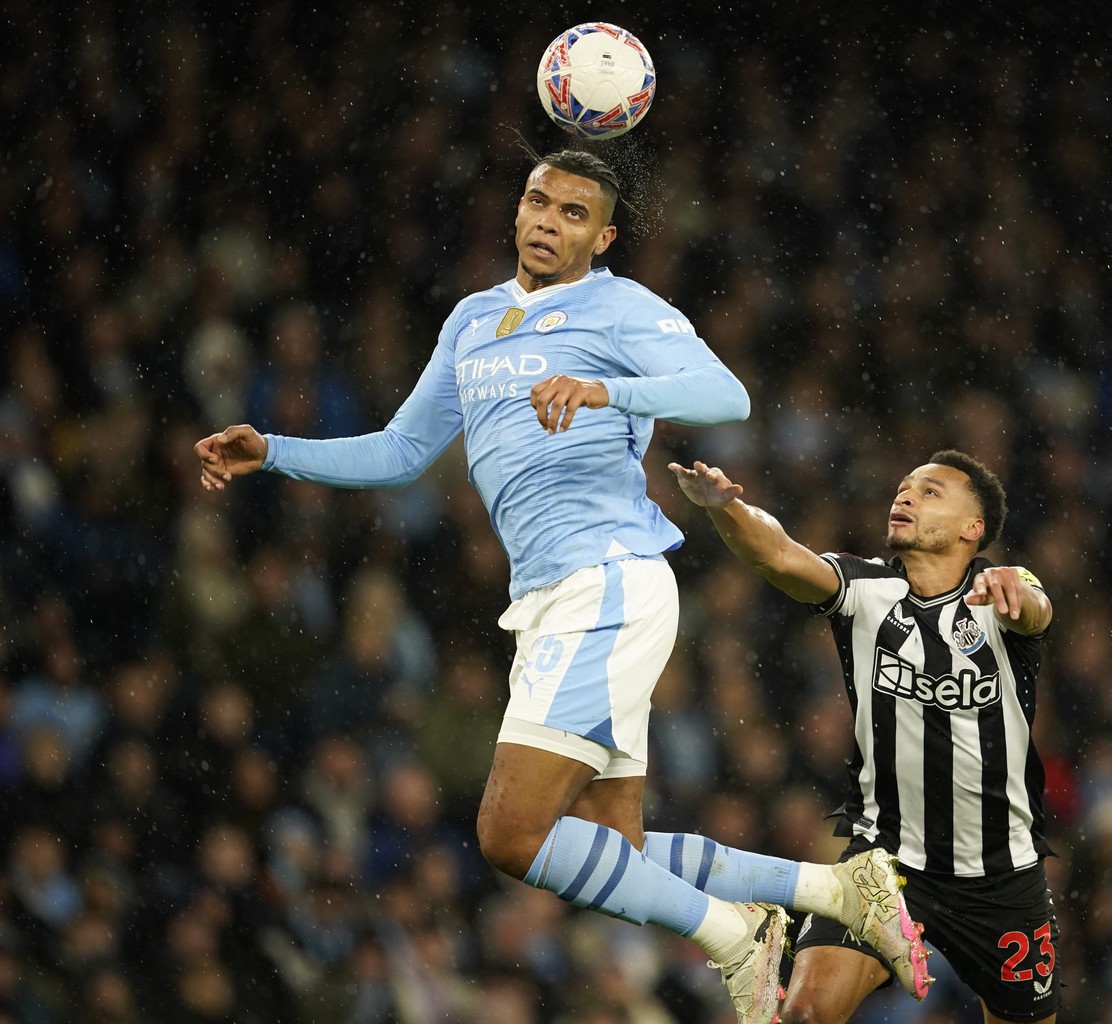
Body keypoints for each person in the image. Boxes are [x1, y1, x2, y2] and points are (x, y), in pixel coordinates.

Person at [194, 148, 926, 1024]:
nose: (548, 220)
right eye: (538, 201)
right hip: (550, 599)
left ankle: (739, 936)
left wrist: (604, 390)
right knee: (617, 851)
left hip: (606, 582)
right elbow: (399, 450)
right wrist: (274, 452)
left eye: (573, 213)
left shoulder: (618, 306)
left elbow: (724, 394)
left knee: (509, 835)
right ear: (516, 210)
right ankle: (842, 892)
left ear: (603, 235)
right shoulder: (473, 319)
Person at [669, 450, 1062, 1024]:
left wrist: (1022, 593)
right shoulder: (865, 589)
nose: (905, 496)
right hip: (885, 870)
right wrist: (726, 510)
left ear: (972, 529)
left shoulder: (1000, 596)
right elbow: (778, 553)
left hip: (1002, 880)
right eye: (904, 487)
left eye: (930, 492)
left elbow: (1036, 611)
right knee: (804, 1015)